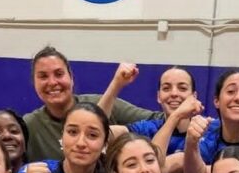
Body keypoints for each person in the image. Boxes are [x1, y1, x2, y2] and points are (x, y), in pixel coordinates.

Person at [24, 47, 162, 161]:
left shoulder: (107, 104)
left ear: (71, 77)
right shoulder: (29, 126)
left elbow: (159, 120)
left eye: (59, 74)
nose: (53, 82)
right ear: (33, 82)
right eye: (43, 76)